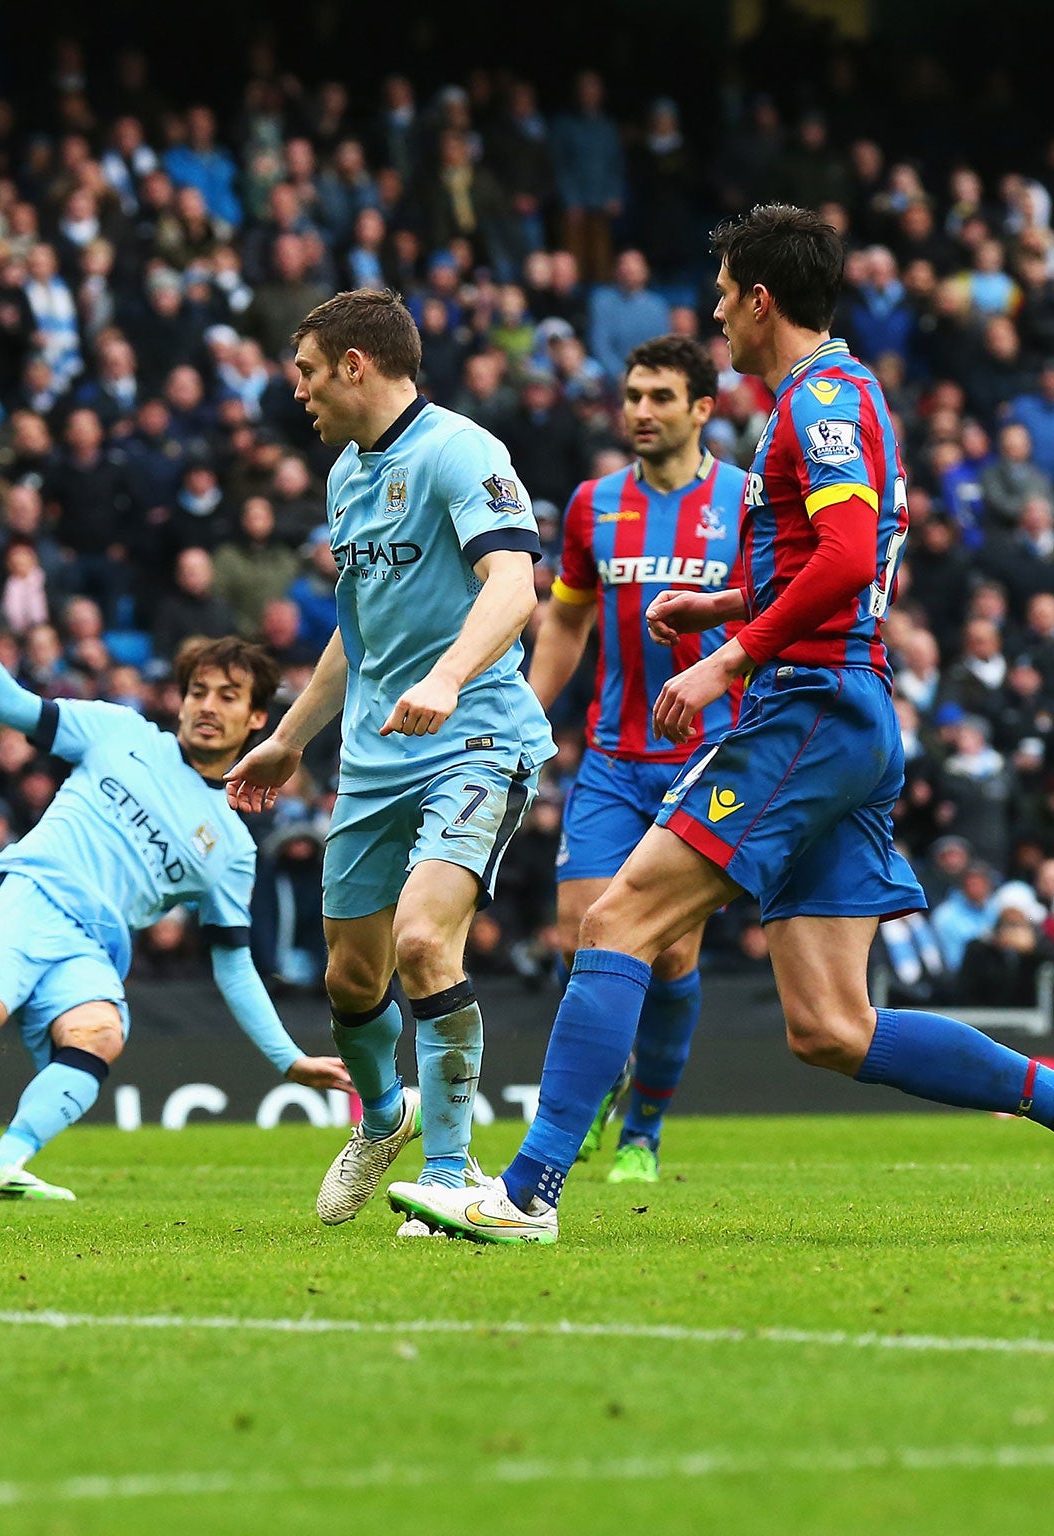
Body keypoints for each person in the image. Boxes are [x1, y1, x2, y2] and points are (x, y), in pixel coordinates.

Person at [393, 205, 1054, 1244]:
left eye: (719, 294)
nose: (712, 313)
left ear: (757, 298)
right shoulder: (829, 397)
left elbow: (841, 560)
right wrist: (721, 608)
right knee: (830, 1027)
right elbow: (827, 559)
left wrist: (728, 658)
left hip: (807, 709)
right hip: (846, 711)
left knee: (613, 924)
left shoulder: (818, 399)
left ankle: (523, 1193)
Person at [0, 554, 350, 1202]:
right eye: (198, 691)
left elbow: (232, 965)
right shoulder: (119, 731)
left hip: (92, 942)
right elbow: (8, 704)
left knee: (99, 1033)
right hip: (31, 892)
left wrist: (287, 1057)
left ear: (258, 719)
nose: (207, 707)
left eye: (228, 697)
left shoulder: (232, 847)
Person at [224, 287, 553, 1233]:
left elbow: (513, 586)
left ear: (355, 366)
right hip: (374, 757)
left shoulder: (463, 450)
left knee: (421, 942)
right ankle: (385, 1118)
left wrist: (449, 678)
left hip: (476, 735)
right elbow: (355, 630)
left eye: (308, 373)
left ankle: (450, 1179)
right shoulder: (344, 478)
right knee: (350, 981)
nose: (300, 394)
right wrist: (291, 735)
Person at [523, 335, 749, 1183]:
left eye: (660, 396)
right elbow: (569, 622)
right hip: (612, 758)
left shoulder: (746, 502)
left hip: (709, 759)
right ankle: (589, 1101)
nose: (641, 412)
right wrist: (528, 714)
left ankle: (644, 1130)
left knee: (673, 956)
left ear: (702, 408)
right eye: (632, 396)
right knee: (590, 934)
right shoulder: (591, 506)